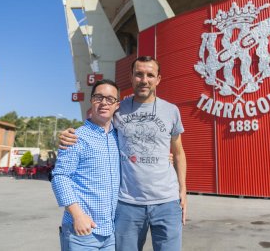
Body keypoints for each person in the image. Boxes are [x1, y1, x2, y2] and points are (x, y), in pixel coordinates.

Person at [59, 56, 187, 251]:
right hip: (128, 204)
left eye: (150, 75)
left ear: (158, 79)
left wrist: (183, 190)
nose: (144, 80)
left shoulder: (171, 111)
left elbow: (178, 152)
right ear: (131, 77)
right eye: (139, 74)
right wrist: (64, 136)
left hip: (167, 202)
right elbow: (94, 124)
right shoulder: (119, 109)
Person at [51, 79, 121, 251]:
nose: (104, 102)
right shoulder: (76, 137)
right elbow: (60, 177)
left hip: (110, 233)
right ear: (91, 101)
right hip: (81, 230)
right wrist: (78, 216)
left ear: (117, 105)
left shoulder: (119, 138)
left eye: (110, 99)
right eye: (99, 97)